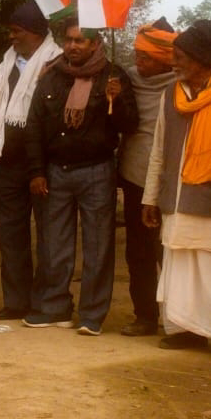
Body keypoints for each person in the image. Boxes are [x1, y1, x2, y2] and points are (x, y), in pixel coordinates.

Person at [141, 20, 211, 359]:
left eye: (179, 57)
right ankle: (187, 330)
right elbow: (159, 149)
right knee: (182, 271)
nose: (173, 63)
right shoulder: (170, 94)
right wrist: (150, 197)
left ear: (201, 59)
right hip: (176, 200)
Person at [25, 19, 138, 334]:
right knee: (54, 245)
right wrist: (36, 171)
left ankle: (91, 316)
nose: (72, 46)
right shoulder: (52, 75)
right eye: (69, 40)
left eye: (80, 41)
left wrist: (119, 99)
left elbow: (130, 125)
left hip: (97, 171)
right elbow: (34, 125)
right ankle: (55, 309)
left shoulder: (114, 76)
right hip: (55, 172)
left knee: (98, 246)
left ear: (95, 44)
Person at [0, 1, 64, 320]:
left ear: (34, 32)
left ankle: (45, 303)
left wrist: (45, 84)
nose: (11, 37)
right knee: (11, 235)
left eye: (16, 31)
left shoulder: (58, 62)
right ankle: (16, 302)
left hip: (44, 163)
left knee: (48, 235)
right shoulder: (5, 65)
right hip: (8, 160)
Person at [117, 20, 178, 337]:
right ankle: (144, 316)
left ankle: (178, 320)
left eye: (147, 58)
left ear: (166, 60)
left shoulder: (183, 84)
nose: (139, 62)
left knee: (170, 252)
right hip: (135, 176)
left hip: (172, 181)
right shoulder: (127, 80)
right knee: (138, 252)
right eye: (137, 55)